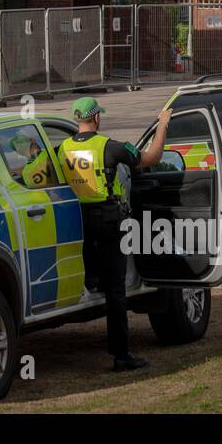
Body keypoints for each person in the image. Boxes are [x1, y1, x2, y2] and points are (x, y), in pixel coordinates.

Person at [57, 96, 172, 373]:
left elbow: (34, 170)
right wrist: (163, 125)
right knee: (116, 290)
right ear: (96, 118)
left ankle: (92, 279)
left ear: (77, 119)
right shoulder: (110, 147)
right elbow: (152, 158)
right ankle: (121, 355)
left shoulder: (62, 149)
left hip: (78, 223)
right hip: (109, 223)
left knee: (92, 271)